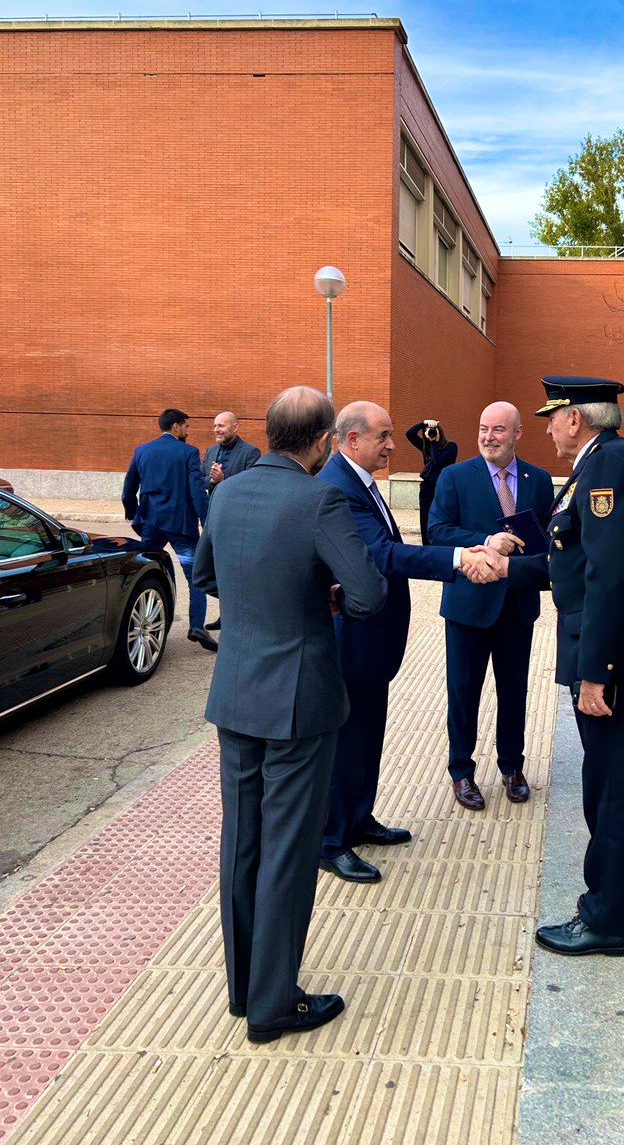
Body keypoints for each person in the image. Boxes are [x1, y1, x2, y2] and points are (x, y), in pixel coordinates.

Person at [466, 376, 624, 957]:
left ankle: (610, 919)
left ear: (576, 420)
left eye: (551, 417)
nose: (545, 428)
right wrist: (508, 568)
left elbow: (609, 578)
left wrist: (597, 671)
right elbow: (574, 559)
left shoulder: (608, 466)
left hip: (623, 659)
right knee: (607, 782)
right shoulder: (600, 462)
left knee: (613, 788)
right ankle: (608, 906)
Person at [193, 386, 386, 1045]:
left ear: (270, 433)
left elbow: (205, 578)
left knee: (242, 840)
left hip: (236, 694)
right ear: (324, 441)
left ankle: (246, 988)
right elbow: (366, 594)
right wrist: (322, 596)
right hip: (300, 700)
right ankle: (275, 1003)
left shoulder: (226, 492)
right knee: (287, 850)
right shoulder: (320, 498)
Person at [319, 401, 483, 883]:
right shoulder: (337, 488)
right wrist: (457, 558)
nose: (393, 444)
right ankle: (332, 840)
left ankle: (358, 818)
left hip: (372, 642)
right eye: (384, 436)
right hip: (352, 641)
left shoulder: (359, 482)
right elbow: (382, 555)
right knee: (348, 741)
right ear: (352, 440)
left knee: (368, 735)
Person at [428, 401, 554, 810]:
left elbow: (543, 541)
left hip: (517, 605)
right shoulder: (455, 476)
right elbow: (437, 532)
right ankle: (461, 771)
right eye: (483, 428)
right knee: (463, 693)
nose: (488, 437)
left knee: (514, 690)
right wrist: (486, 540)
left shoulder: (538, 479)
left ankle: (511, 766)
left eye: (498, 430)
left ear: (517, 433)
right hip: (469, 606)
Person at [121, 408, 216, 652]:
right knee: (195, 576)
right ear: (176, 426)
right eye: (186, 426)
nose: (187, 431)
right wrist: (208, 523)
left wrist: (132, 511)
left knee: (145, 571)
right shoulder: (189, 452)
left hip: (151, 523)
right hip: (181, 525)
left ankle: (142, 615)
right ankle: (196, 626)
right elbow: (196, 490)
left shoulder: (142, 450)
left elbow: (129, 487)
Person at [202, 412, 261, 630]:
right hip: (215, 520)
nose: (217, 429)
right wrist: (209, 481)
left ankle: (242, 615)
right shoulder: (210, 451)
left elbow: (253, 485)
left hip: (240, 521)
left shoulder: (250, 452)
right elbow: (202, 482)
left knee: (239, 571)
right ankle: (225, 614)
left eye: (222, 426)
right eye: (215, 425)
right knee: (218, 569)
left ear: (235, 427)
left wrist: (224, 480)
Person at [405, 418, 458, 544]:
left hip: (441, 487)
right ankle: (426, 545)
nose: (433, 433)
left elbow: (437, 461)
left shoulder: (451, 447)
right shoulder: (427, 447)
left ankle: (441, 543)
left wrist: (434, 442)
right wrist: (423, 423)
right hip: (427, 488)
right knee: (425, 518)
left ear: (440, 432)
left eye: (435, 431)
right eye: (429, 432)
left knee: (441, 517)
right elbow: (409, 434)